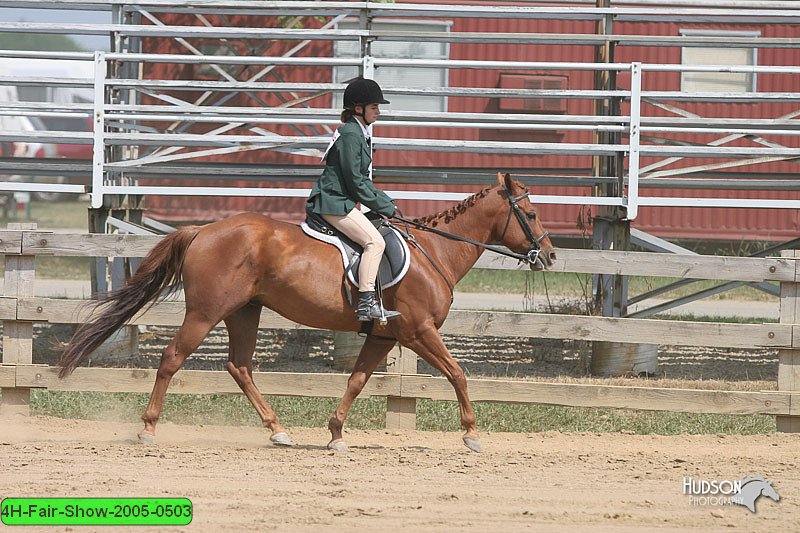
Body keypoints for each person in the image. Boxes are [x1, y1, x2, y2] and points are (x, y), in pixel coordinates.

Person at [307, 78, 401, 322]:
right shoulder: (351, 135)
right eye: (374, 107)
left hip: (340, 200)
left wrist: (387, 202)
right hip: (334, 202)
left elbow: (361, 179)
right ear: (358, 108)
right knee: (375, 243)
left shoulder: (357, 132)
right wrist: (385, 206)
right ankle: (366, 304)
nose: (378, 112)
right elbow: (355, 182)